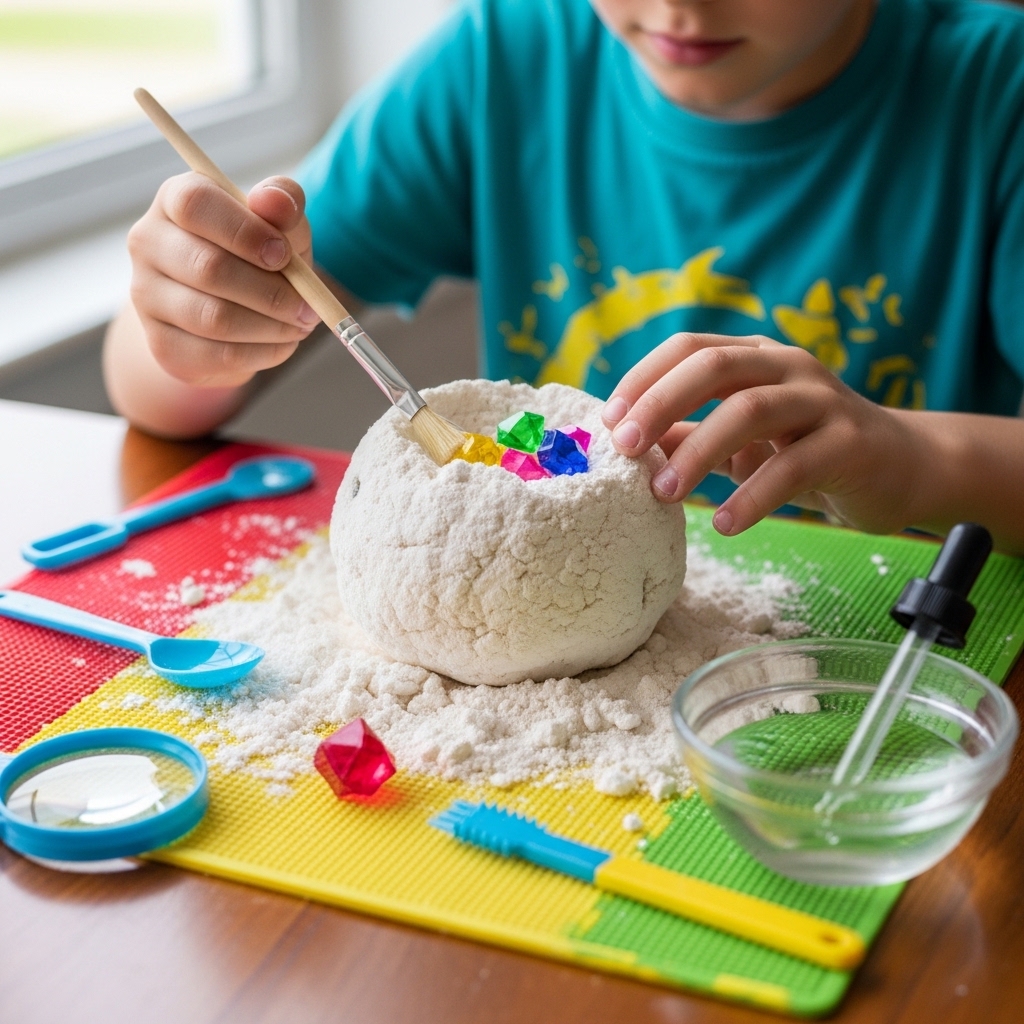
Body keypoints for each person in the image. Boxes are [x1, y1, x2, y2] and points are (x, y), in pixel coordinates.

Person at [104, 0, 1024, 552]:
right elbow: (162, 391)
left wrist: (913, 460)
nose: (678, 6)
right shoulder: (502, 60)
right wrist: (192, 326)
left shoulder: (994, 92)